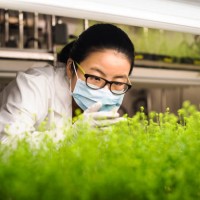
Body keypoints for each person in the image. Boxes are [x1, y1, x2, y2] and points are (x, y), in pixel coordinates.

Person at [0, 23, 135, 141]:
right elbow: (5, 143)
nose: (105, 91)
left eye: (118, 83)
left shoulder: (106, 119)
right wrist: (70, 136)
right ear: (71, 68)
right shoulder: (34, 86)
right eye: (96, 78)